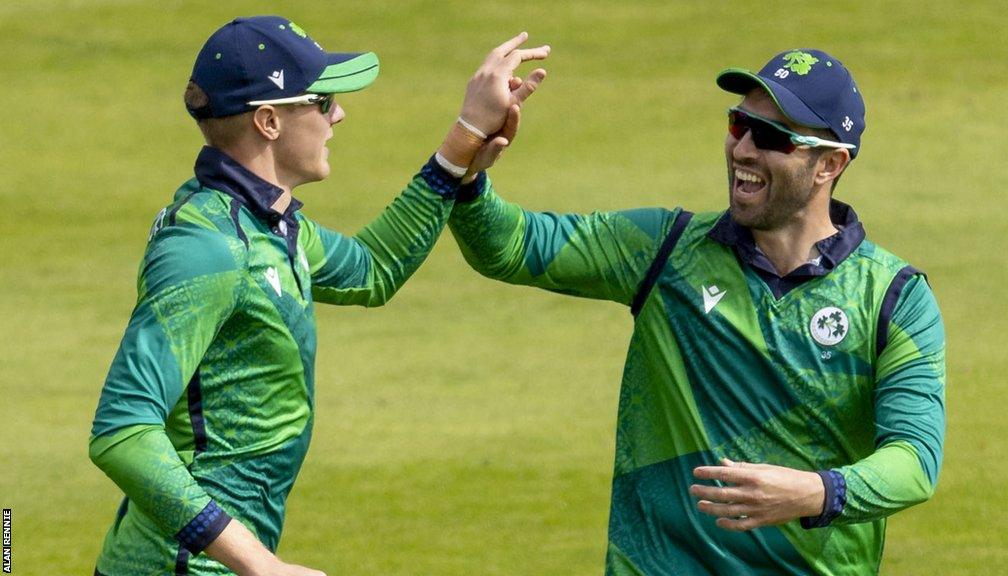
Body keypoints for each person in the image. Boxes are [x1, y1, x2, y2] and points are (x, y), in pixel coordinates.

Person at [450, 49, 945, 575]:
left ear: (830, 163)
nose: (744, 149)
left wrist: (814, 492)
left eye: (772, 137)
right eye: (740, 124)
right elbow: (507, 245)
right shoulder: (664, 250)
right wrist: (468, 167)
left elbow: (914, 463)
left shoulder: (894, 296)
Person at [88, 16, 548, 576]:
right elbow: (123, 431)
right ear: (268, 121)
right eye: (323, 101)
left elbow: (374, 269)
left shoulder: (265, 225)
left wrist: (464, 140)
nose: (339, 115)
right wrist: (260, 564)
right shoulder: (208, 249)